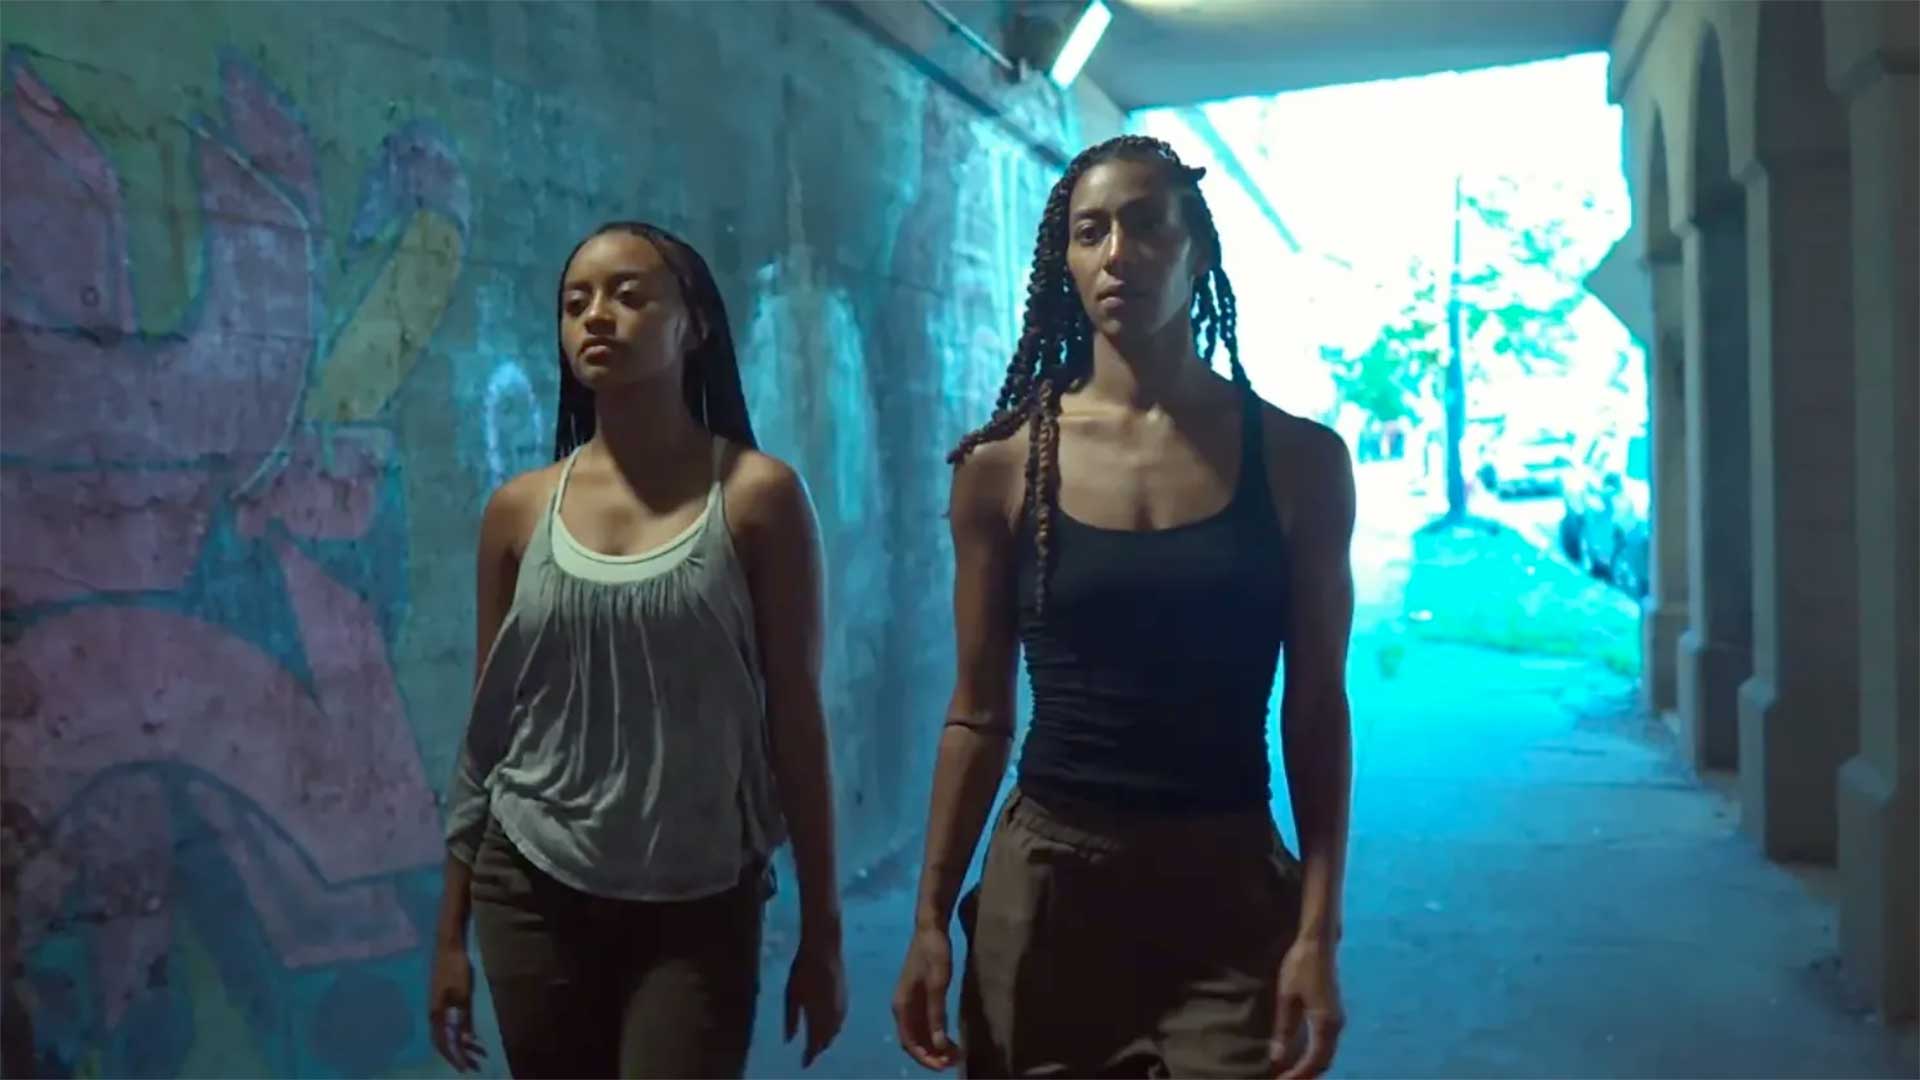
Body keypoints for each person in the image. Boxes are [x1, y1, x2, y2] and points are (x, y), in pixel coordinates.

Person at [891, 135, 1356, 1079]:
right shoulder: (1002, 467)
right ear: (1063, 261)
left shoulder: (1301, 461)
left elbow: (1315, 712)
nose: (1118, 254)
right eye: (1089, 231)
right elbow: (978, 714)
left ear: (1200, 250)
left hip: (1227, 880)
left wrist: (1318, 928)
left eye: (1148, 224)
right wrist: (931, 917)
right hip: (1051, 884)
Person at [427, 221, 847, 1078]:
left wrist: (824, 932)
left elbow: (796, 723)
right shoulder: (517, 512)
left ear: (694, 323)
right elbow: (487, 736)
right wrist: (449, 935)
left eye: (628, 294)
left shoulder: (758, 498)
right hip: (529, 885)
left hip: (698, 901)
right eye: (575, 302)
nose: (597, 317)